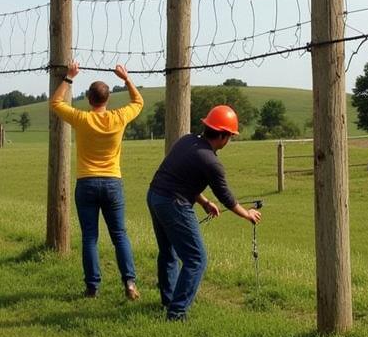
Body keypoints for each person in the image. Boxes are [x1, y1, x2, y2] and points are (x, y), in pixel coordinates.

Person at [147, 104, 263, 321]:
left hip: (155, 197)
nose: (229, 140)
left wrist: (203, 201)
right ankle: (177, 312)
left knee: (168, 252)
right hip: (174, 204)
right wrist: (247, 214)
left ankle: (169, 300)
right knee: (196, 259)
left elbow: (178, 177)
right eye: (230, 135)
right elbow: (227, 198)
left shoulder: (187, 140)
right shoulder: (211, 161)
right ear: (223, 136)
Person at [50, 62, 144, 299]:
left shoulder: (82, 119)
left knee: (90, 237)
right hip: (113, 182)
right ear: (107, 99)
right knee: (119, 235)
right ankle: (130, 283)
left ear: (89, 99)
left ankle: (92, 287)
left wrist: (69, 78)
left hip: (87, 182)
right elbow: (138, 102)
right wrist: (126, 78)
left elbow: (56, 103)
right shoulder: (118, 118)